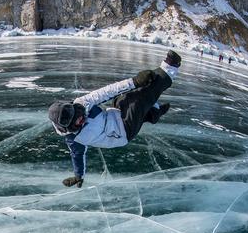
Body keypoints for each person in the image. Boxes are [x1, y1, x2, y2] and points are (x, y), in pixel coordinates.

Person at [48, 50, 182, 188]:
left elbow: (107, 91)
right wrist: (78, 176)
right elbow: (77, 156)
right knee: (139, 98)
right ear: (65, 126)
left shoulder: (82, 103)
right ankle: (170, 67)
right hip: (122, 132)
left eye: (73, 113)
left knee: (124, 97)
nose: (79, 119)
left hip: (115, 113)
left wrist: (135, 81)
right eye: (72, 121)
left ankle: (152, 114)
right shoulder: (74, 139)